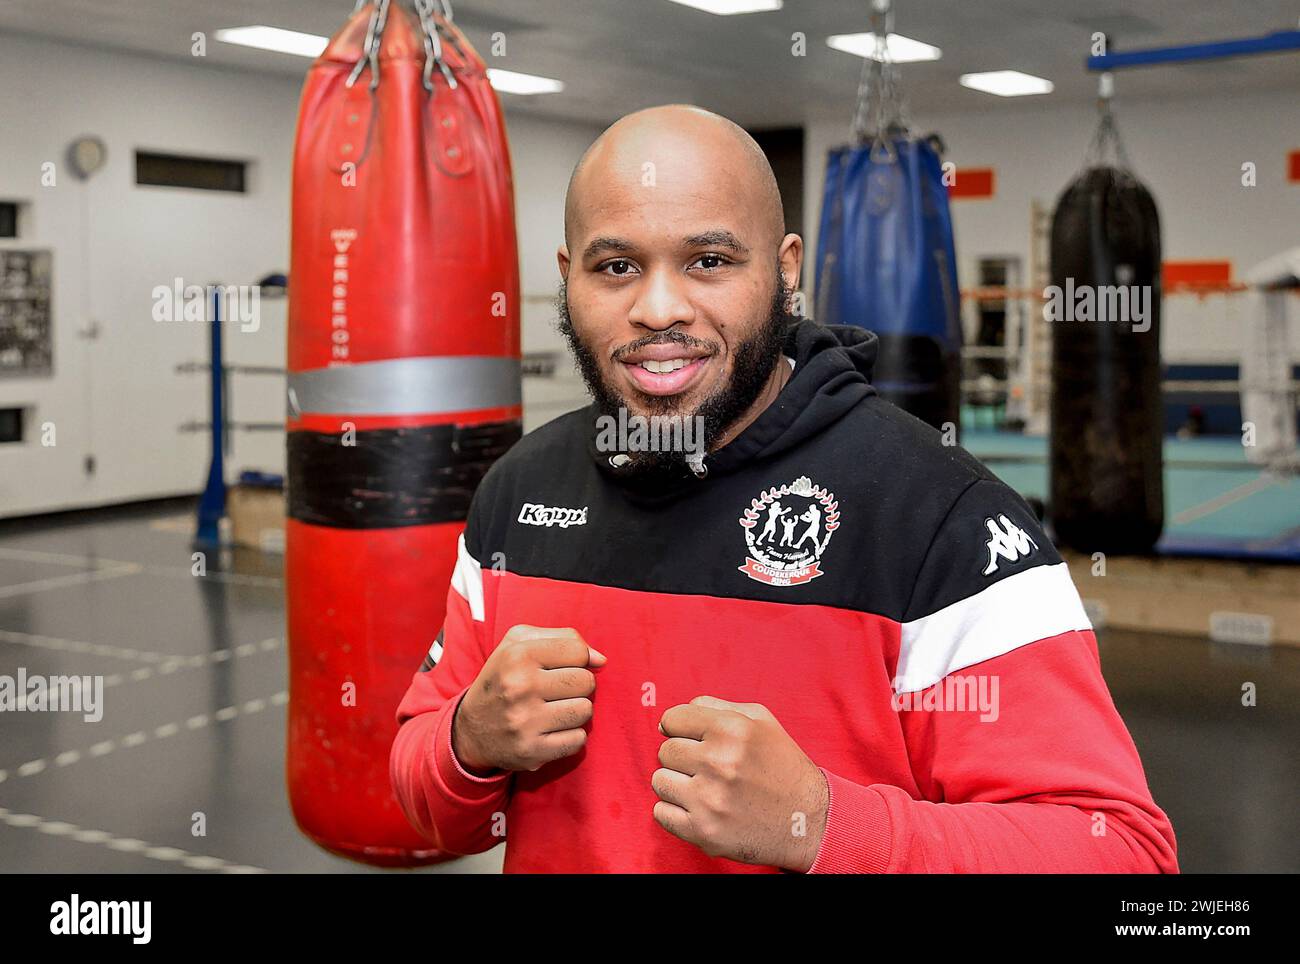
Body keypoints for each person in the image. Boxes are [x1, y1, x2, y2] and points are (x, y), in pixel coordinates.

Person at [389, 104, 1178, 874]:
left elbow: (1119, 853)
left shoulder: (942, 519)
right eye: (617, 266)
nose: (658, 308)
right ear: (570, 280)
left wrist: (828, 827)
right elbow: (431, 802)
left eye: (709, 261)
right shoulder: (517, 491)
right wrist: (467, 741)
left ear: (786, 269)